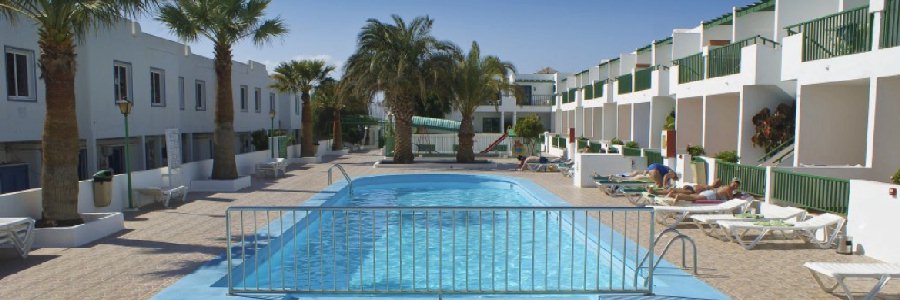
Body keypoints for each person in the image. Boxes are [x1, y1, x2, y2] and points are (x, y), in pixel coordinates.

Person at [671, 178, 741, 202]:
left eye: (736, 186)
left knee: (693, 196)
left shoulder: (724, 186)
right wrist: (737, 196)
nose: (735, 186)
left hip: (710, 193)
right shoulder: (728, 188)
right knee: (693, 198)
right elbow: (731, 200)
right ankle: (678, 196)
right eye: (734, 184)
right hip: (712, 195)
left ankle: (673, 195)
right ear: (731, 183)